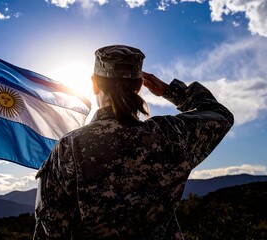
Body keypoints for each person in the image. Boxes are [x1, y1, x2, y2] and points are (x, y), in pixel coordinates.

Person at [34, 45, 234, 239]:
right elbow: (220, 115)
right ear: (139, 87)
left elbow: (50, 228)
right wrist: (171, 91)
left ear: (94, 84)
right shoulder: (169, 134)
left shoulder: (69, 147)